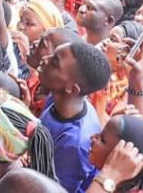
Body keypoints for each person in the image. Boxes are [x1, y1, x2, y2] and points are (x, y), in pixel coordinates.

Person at [37, 41, 112, 193]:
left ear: (72, 88)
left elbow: (53, 189)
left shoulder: (75, 144)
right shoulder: (59, 97)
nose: (45, 59)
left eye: (54, 63)